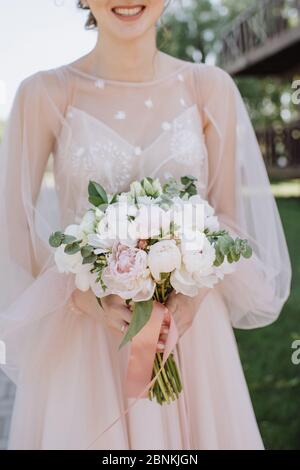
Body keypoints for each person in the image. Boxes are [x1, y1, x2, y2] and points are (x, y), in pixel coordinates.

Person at [0, 0, 291, 450]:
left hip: (191, 333)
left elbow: (227, 216)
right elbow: (11, 223)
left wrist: (193, 294)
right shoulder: (46, 93)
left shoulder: (208, 87)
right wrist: (80, 295)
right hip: (87, 340)